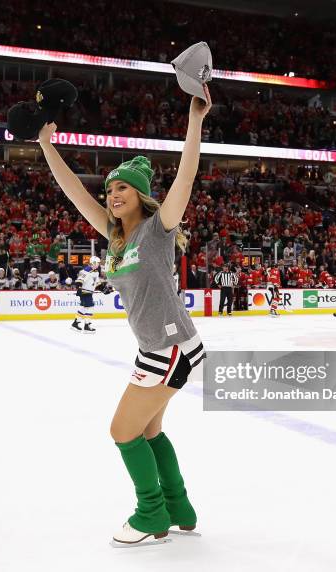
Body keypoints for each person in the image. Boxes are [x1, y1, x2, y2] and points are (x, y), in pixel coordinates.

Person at [37, 83, 211, 546]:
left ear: (140, 196)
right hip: (156, 348)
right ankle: (179, 508)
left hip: (170, 346)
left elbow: (186, 181)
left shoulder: (156, 230)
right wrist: (47, 147)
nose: (112, 195)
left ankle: (150, 514)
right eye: (110, 189)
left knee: (122, 430)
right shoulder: (115, 239)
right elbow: (75, 192)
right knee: (150, 430)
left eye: (122, 189)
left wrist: (194, 121)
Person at [71, 255, 101, 334]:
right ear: (93, 262)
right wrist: (79, 288)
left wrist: (104, 289)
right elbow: (79, 281)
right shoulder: (86, 270)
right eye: (98, 263)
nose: (98, 264)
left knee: (84, 308)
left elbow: (97, 283)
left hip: (89, 292)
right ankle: (87, 325)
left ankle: (76, 323)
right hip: (84, 292)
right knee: (90, 307)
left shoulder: (96, 272)